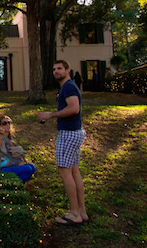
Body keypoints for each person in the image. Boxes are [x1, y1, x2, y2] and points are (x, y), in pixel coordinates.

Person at [38, 60, 88, 226]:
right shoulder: (67, 87)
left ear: (68, 70)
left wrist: (50, 115)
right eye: (54, 69)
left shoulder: (68, 87)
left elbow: (74, 108)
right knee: (74, 172)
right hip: (75, 132)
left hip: (69, 134)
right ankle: (81, 211)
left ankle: (74, 213)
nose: (56, 71)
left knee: (64, 172)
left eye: (59, 68)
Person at [0, 116, 37, 183]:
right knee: (28, 169)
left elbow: (12, 156)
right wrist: (1, 134)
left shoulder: (10, 139)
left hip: (10, 166)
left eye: (9, 122)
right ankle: (15, 186)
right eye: (4, 123)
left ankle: (15, 185)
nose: (7, 125)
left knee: (32, 167)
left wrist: (20, 162)